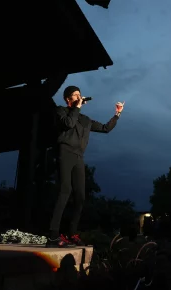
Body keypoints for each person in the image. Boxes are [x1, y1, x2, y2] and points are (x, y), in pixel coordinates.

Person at [46, 85, 125, 248]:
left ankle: (71, 234)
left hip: (79, 156)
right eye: (75, 95)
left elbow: (105, 128)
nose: (78, 97)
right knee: (65, 190)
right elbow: (68, 124)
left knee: (80, 196)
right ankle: (53, 235)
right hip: (65, 151)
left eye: (79, 95)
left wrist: (117, 113)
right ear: (68, 99)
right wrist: (76, 108)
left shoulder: (85, 120)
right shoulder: (61, 111)